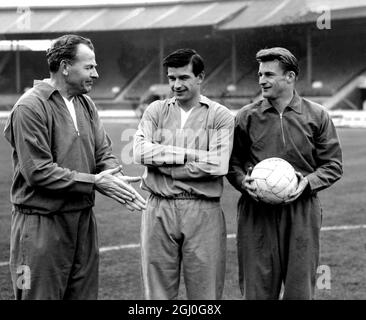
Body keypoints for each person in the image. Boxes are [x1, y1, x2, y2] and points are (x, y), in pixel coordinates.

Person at [3, 34, 146, 300]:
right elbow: (38, 172)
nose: (96, 73)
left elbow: (104, 152)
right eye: (89, 67)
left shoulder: (86, 104)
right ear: (65, 66)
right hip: (39, 225)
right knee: (35, 295)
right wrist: (95, 181)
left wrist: (113, 176)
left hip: (82, 221)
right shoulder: (29, 107)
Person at [226, 47, 343, 300]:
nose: (261, 80)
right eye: (259, 74)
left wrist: (308, 182)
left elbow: (333, 165)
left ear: (290, 77)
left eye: (269, 74)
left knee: (299, 291)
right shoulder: (246, 117)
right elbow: (232, 163)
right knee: (256, 292)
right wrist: (242, 182)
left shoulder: (317, 115)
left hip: (301, 210)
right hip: (256, 211)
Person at [133, 48, 234, 299]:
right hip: (158, 207)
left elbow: (218, 165)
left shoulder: (220, 115)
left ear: (200, 77)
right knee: (157, 295)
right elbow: (139, 152)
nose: (176, 85)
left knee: (205, 293)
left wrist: (165, 165)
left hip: (202, 209)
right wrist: (189, 155)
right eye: (171, 78)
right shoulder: (155, 111)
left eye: (184, 78)